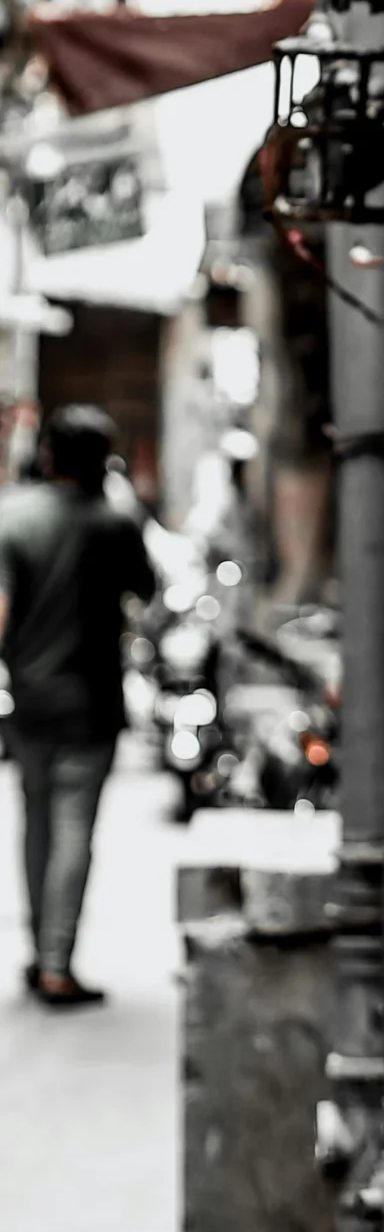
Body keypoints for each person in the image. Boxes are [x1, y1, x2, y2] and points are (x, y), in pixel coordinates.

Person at [0, 404, 154, 1006]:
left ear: (47, 455)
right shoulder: (114, 523)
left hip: (29, 702)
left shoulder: (12, 518)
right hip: (90, 705)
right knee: (71, 832)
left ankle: (42, 953)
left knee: (36, 824)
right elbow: (147, 590)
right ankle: (57, 961)